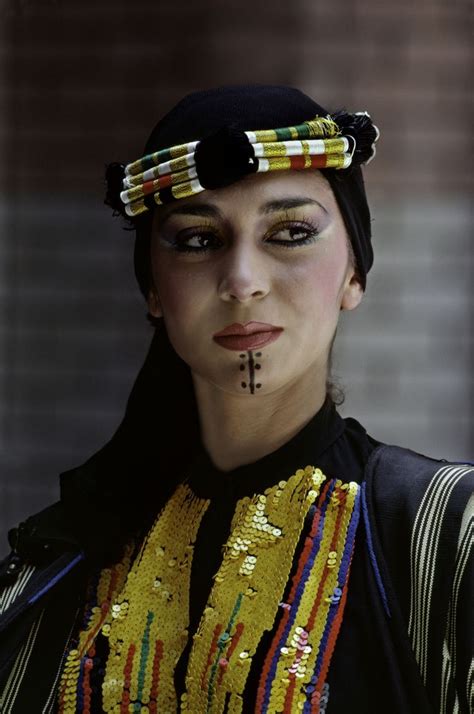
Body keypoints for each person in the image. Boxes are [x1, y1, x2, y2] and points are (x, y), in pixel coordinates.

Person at [0, 85, 471, 714]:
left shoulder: (442, 535)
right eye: (197, 240)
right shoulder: (66, 562)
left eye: (291, 232)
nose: (243, 281)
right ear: (154, 290)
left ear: (354, 273)